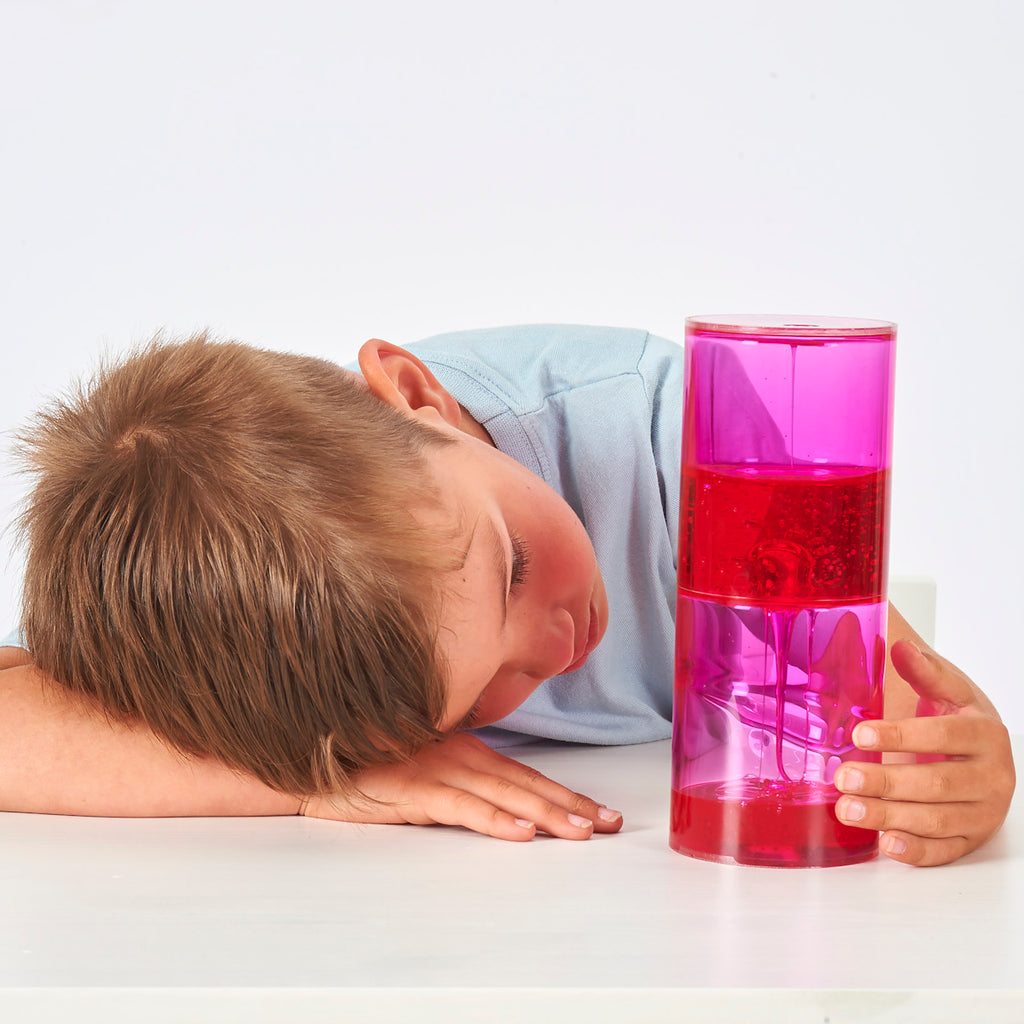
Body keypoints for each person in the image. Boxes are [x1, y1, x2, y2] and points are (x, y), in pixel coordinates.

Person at [0, 325, 1014, 866]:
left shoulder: (678, 436)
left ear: (411, 394)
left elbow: (894, 709)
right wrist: (308, 776)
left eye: (514, 568)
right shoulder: (223, 613)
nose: (554, 645)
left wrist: (953, 771)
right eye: (474, 695)